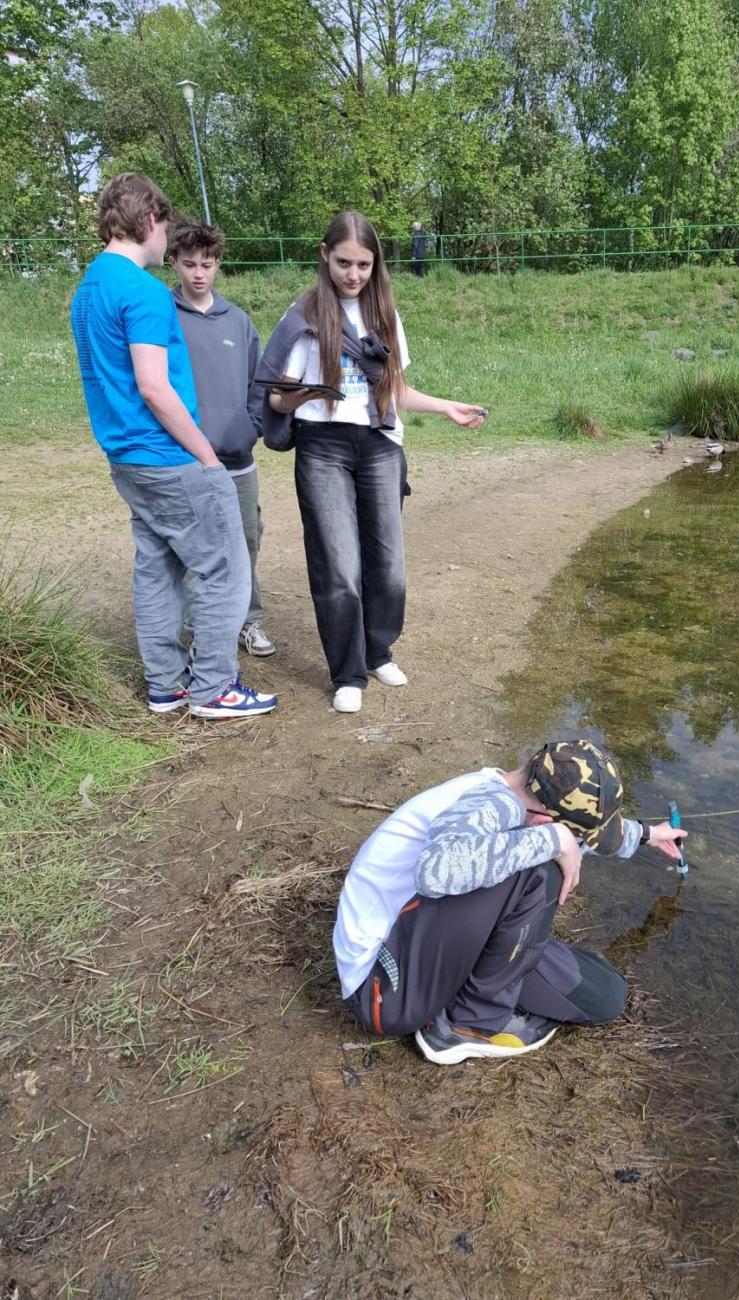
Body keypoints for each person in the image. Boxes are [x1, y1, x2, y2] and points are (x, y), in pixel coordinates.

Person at [334, 739, 688, 1065]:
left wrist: (647, 835)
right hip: (381, 987)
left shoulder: (521, 794)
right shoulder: (491, 803)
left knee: (605, 993)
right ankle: (465, 1026)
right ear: (544, 816)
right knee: (539, 870)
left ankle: (476, 993)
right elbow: (435, 870)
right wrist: (551, 839)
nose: (572, 840)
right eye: (568, 831)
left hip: (431, 944)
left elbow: (574, 833)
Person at [257, 210, 484, 715]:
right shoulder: (304, 315)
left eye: (363, 264)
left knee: (388, 565)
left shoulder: (385, 315)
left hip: (380, 445)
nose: (353, 274)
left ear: (375, 263)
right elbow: (275, 398)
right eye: (343, 263)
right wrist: (299, 398)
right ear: (324, 256)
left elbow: (393, 388)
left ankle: (378, 649)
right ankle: (348, 672)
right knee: (338, 564)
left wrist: (445, 407)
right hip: (323, 446)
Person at [69, 173, 278, 720]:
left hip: (126, 457)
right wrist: (206, 457)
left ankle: (166, 683)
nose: (168, 245)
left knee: (157, 566)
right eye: (165, 228)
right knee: (225, 566)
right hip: (167, 455)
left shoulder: (90, 286)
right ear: (150, 221)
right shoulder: (140, 290)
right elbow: (154, 386)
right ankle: (214, 686)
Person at [168, 220, 275, 659]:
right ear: (173, 262)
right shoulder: (162, 316)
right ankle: (200, 629)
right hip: (186, 459)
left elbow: (260, 385)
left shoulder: (239, 321)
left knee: (246, 540)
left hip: (238, 461)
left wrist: (250, 425)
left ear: (217, 265)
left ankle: (248, 621)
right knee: (195, 548)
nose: (198, 273)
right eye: (189, 264)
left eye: (206, 264)